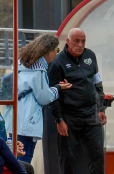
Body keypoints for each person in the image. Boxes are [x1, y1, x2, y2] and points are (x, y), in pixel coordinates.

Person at [48, 28, 109, 174]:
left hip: (91, 114)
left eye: (83, 41)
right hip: (69, 115)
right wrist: (59, 119)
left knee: (97, 155)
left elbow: (98, 82)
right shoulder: (58, 63)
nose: (81, 45)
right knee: (68, 157)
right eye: (76, 41)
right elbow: (53, 93)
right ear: (68, 41)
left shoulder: (91, 56)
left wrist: (101, 107)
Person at [4, 33, 71, 164]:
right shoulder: (38, 71)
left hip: (14, 120)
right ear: (49, 51)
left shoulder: (22, 66)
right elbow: (44, 98)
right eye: (56, 50)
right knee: (24, 163)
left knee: (14, 160)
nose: (56, 54)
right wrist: (58, 88)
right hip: (27, 123)